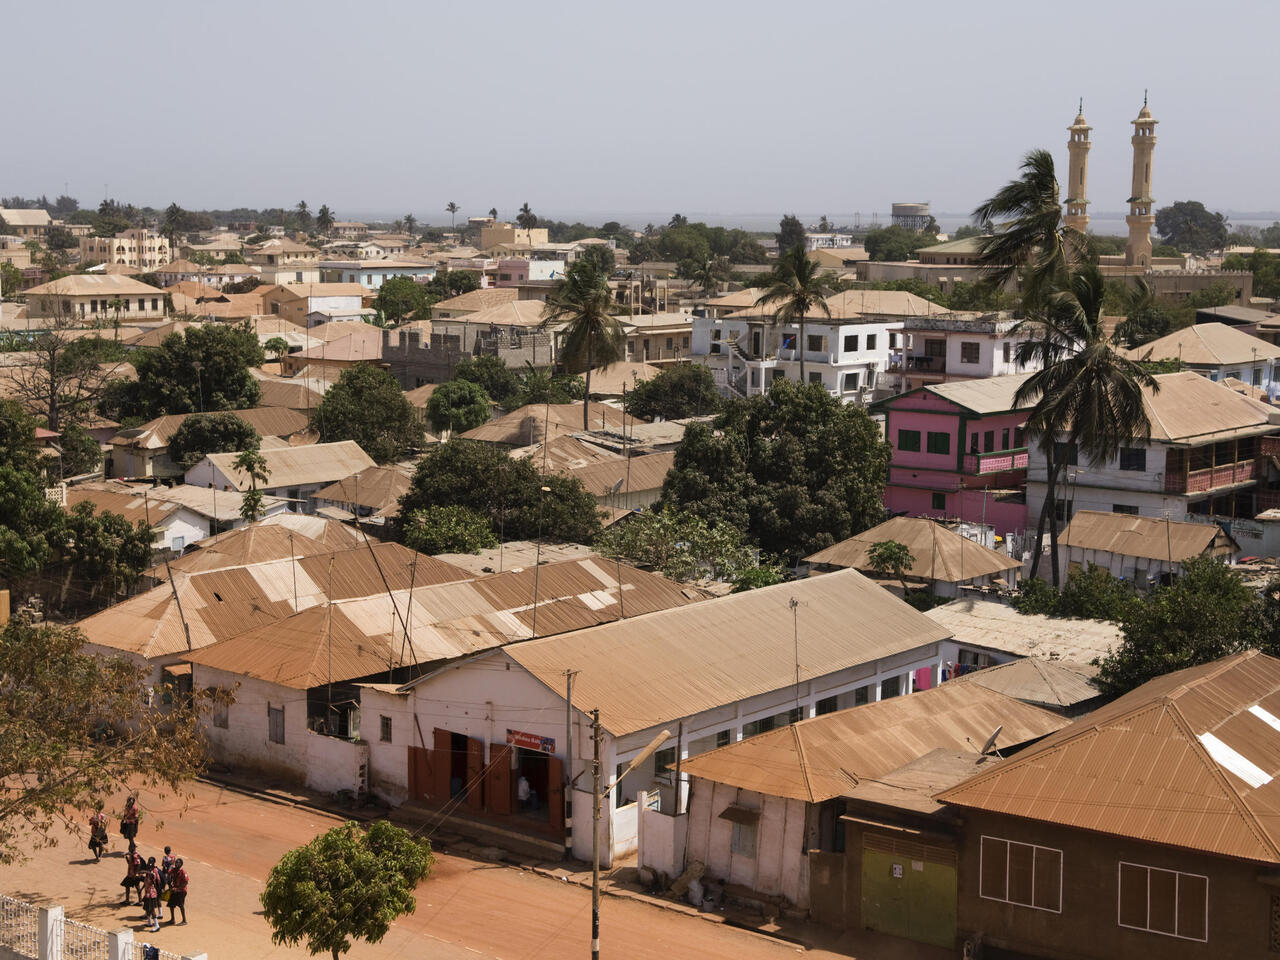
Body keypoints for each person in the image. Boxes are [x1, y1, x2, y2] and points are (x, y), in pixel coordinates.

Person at [141, 858, 161, 932]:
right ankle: (149, 923)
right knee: (147, 908)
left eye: (150, 863)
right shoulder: (148, 873)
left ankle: (157, 925)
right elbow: (145, 881)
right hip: (147, 893)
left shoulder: (153, 872)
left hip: (152, 894)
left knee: (152, 910)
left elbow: (154, 878)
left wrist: (146, 871)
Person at [167, 858, 188, 926]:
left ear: (181, 864)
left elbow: (185, 882)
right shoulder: (173, 870)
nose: (177, 864)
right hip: (174, 890)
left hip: (182, 891)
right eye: (176, 862)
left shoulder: (183, 872)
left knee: (181, 905)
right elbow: (168, 875)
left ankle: (184, 920)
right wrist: (170, 885)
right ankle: (172, 919)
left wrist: (178, 889)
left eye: (178, 863)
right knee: (171, 904)